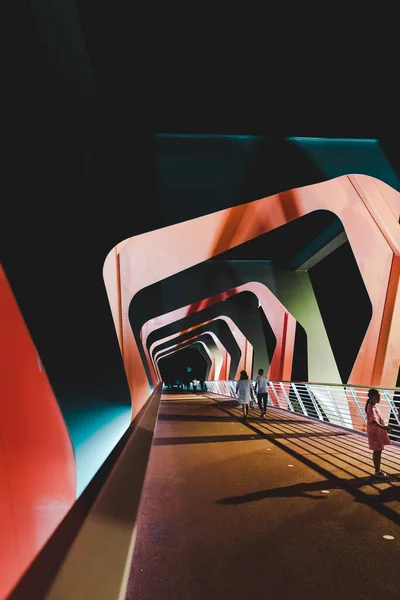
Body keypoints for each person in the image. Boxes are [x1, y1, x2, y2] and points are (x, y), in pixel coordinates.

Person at [365, 388, 391, 479]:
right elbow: (373, 421)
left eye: (379, 396)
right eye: (377, 396)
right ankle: (377, 471)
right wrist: (384, 427)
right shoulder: (371, 408)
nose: (379, 398)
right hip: (375, 433)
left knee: (377, 451)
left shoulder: (372, 406)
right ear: (372, 397)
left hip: (376, 433)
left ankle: (377, 470)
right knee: (377, 452)